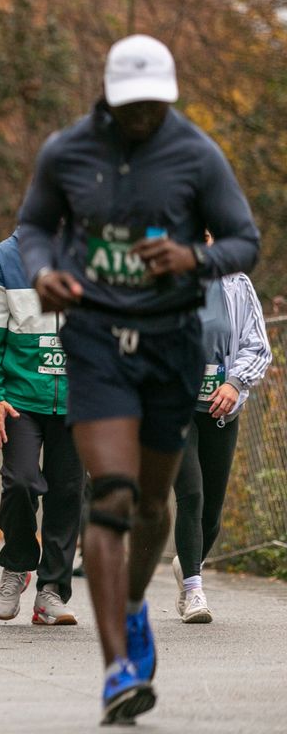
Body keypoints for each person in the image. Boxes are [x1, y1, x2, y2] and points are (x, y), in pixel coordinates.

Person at [17, 35, 259, 724]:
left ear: (170, 95)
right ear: (110, 97)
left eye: (154, 105)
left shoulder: (196, 154)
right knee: (114, 495)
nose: (143, 116)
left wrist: (189, 257)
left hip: (171, 345)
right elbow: (33, 226)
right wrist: (41, 273)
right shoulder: (67, 151)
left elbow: (245, 240)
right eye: (131, 106)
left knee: (155, 504)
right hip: (95, 341)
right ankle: (117, 667)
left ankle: (129, 607)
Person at [0, 233, 84, 625]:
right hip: (20, 398)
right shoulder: (4, 257)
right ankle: (18, 564)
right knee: (20, 480)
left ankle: (52, 592)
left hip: (78, 398)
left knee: (68, 492)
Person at [172, 239, 270, 623]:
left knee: (211, 512)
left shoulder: (236, 284)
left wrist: (235, 383)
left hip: (221, 408)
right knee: (191, 495)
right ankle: (194, 591)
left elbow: (257, 345)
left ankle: (188, 561)